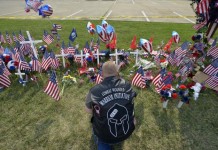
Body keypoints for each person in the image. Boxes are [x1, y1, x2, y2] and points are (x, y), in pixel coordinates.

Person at [85, 61, 137, 150]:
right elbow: (131, 101)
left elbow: (88, 110)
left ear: (102, 74)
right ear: (117, 73)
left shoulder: (94, 91)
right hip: (127, 132)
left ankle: (104, 143)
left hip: (105, 136)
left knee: (96, 120)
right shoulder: (127, 85)